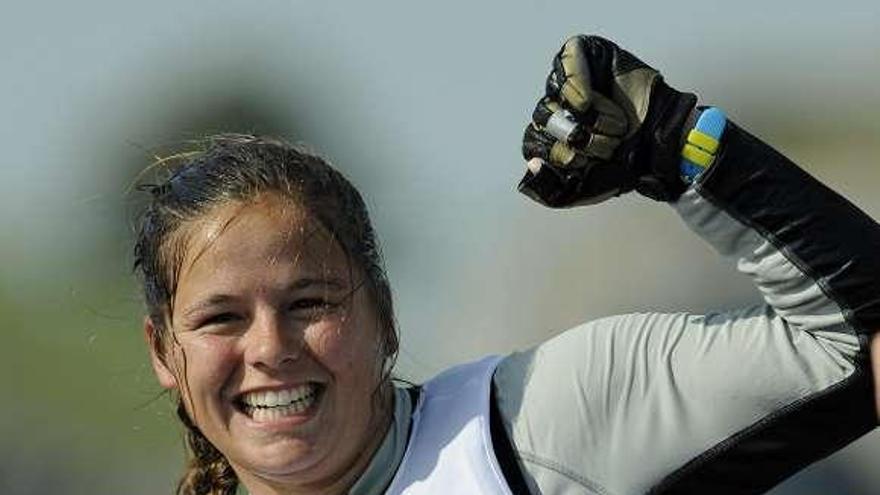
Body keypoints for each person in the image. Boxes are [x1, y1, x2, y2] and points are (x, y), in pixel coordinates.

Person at [135, 35, 880, 495]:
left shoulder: (541, 424)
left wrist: (678, 144)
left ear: (385, 315)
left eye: (309, 302)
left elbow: (854, 346)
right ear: (164, 350)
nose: (269, 347)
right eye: (221, 317)